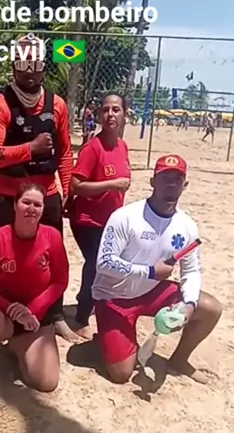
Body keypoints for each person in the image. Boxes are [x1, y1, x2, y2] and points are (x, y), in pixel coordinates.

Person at [92, 154, 222, 385]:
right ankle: (106, 339)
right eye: (165, 178)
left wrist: (189, 307)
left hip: (152, 291)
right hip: (114, 296)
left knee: (210, 308)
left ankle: (179, 360)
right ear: (152, 181)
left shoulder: (187, 226)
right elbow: (104, 263)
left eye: (177, 179)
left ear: (185, 185)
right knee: (121, 374)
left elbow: (191, 271)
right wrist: (150, 272)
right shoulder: (125, 217)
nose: (171, 184)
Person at [0, 32, 78, 342]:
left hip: (47, 196)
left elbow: (65, 152)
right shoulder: (0, 106)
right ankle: (4, 314)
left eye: (35, 64)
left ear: (43, 67)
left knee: (53, 258)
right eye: (23, 63)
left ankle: (55, 315)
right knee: (7, 260)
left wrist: (68, 190)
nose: (29, 71)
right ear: (13, 65)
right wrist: (29, 149)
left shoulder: (57, 105)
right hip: (11, 197)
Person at [0, 183, 69, 408]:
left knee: (46, 382)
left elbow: (60, 281)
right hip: (3, 315)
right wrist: (10, 308)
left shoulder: (52, 237)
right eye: (26, 202)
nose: (31, 209)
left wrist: (33, 311)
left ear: (43, 209)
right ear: (15, 205)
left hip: (36, 318)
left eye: (37, 204)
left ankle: (18, 345)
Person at [68, 94, 131, 339]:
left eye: (116, 109)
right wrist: (111, 184)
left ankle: (96, 304)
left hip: (111, 222)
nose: (110, 114)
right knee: (96, 265)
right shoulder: (93, 148)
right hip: (88, 221)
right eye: (105, 110)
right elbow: (76, 185)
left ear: (125, 114)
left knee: (107, 266)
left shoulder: (122, 147)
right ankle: (81, 317)